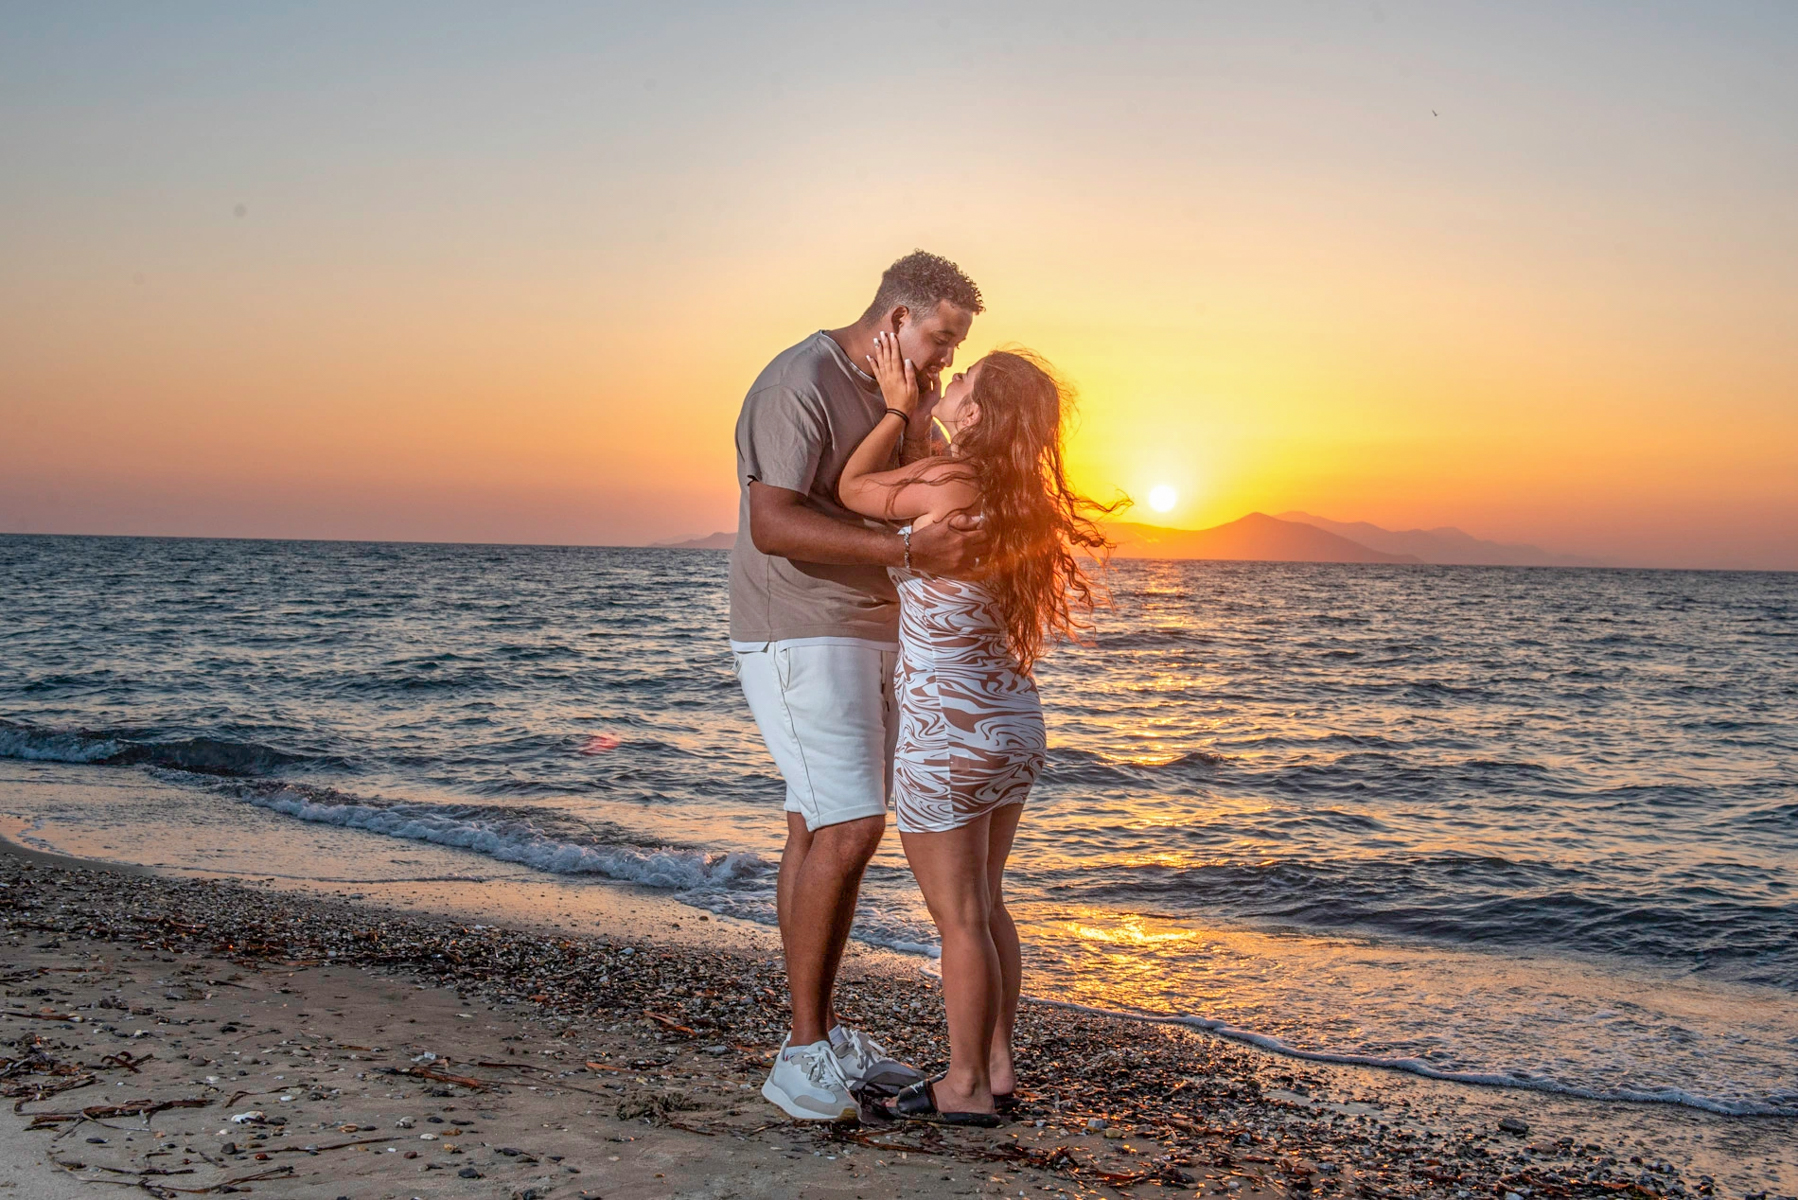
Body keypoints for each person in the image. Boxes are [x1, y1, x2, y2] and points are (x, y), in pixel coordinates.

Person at [731, 251, 992, 1121]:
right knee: (851, 824)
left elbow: (910, 492)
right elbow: (774, 521)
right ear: (896, 319)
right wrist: (906, 555)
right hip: (799, 625)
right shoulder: (796, 381)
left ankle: (824, 1034)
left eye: (957, 348)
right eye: (941, 340)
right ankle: (802, 1053)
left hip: (877, 625)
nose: (947, 361)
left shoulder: (905, 396)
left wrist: (910, 415)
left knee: (818, 817)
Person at [836, 333, 1116, 1125]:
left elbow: (853, 488)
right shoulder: (1026, 503)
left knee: (959, 916)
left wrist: (897, 409)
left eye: (965, 379)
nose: (950, 380)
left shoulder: (946, 481)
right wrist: (924, 420)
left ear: (981, 411)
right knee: (987, 904)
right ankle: (996, 1069)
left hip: (946, 733)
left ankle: (961, 1087)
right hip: (1013, 725)